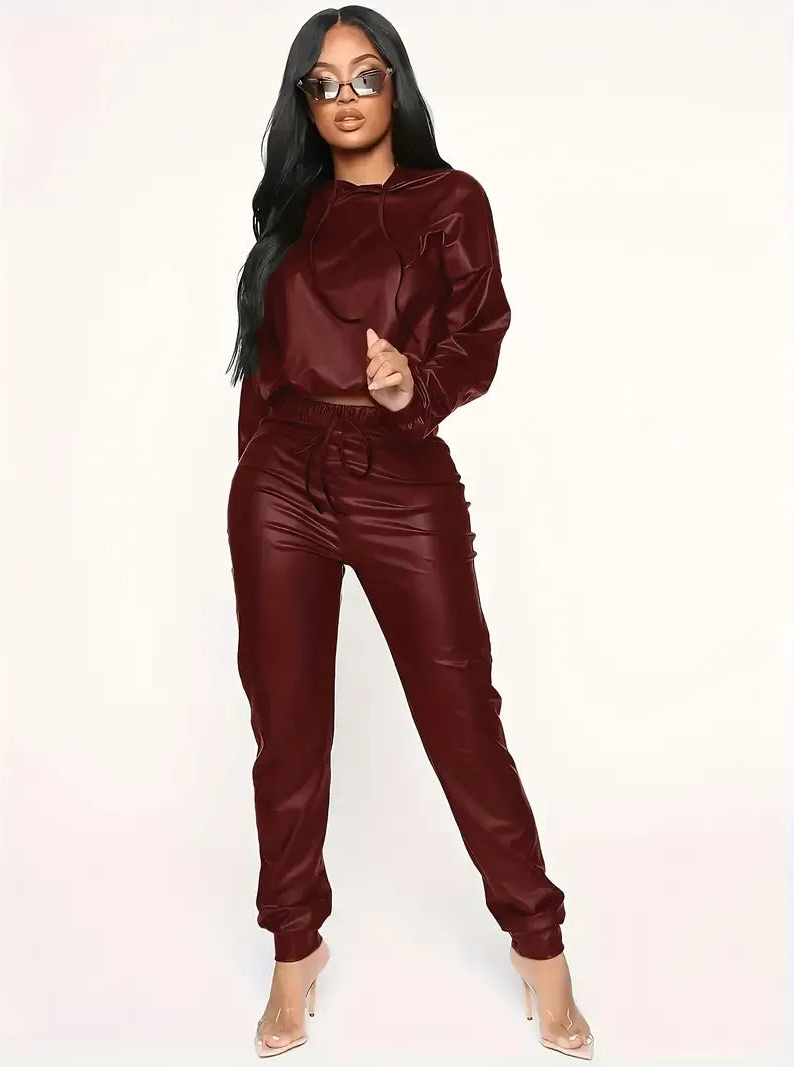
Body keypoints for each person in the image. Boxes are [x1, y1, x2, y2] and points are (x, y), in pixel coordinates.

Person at [226, 7, 594, 1061]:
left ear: (397, 84)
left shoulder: (448, 200)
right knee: (287, 727)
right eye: (324, 82)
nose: (345, 97)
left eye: (364, 75)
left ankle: (540, 945)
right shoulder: (290, 212)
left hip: (400, 472)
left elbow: (481, 330)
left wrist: (412, 386)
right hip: (280, 478)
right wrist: (252, 475)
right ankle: (294, 948)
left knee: (461, 718)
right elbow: (262, 364)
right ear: (303, 101)